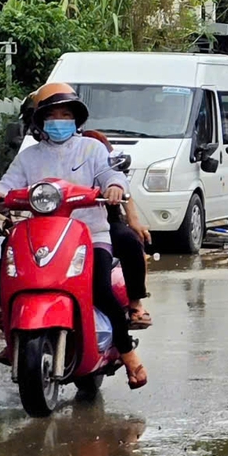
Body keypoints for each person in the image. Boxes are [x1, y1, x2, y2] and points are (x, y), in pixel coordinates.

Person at [0, 83, 147, 389]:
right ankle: (11, 332)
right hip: (40, 236)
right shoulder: (29, 157)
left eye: (66, 114)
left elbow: (110, 174)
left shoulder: (92, 148)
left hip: (90, 233)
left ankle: (128, 355)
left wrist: (113, 186)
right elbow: (8, 182)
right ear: (40, 121)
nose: (59, 120)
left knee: (100, 288)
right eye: (52, 115)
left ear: (76, 119)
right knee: (3, 273)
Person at [83, 128, 154, 330]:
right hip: (63, 225)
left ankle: (135, 303)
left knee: (130, 240)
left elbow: (124, 191)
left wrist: (134, 221)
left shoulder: (104, 163)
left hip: (102, 224)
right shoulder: (52, 160)